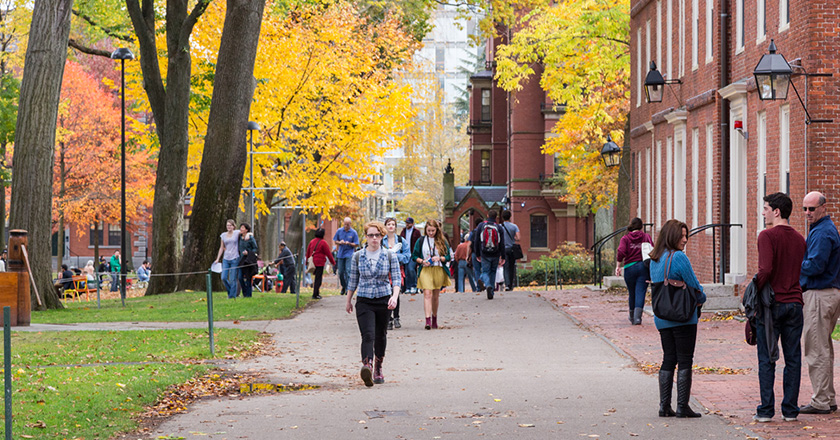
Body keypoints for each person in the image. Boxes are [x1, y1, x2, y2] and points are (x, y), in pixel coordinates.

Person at [751, 192, 806, 422]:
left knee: (767, 358)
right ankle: (790, 410)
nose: (763, 213)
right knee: (792, 358)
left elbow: (765, 270)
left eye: (765, 208)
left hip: (771, 305)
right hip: (795, 303)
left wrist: (754, 288)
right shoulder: (800, 239)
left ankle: (765, 411)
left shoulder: (766, 236)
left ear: (776, 211)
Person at [649, 219, 706, 418]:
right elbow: (695, 286)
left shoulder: (654, 259)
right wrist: (702, 299)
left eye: (686, 235)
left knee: (668, 359)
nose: (685, 240)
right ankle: (682, 406)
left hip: (662, 317)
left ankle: (664, 406)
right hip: (683, 317)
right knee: (684, 360)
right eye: (681, 236)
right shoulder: (679, 257)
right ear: (671, 236)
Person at [799, 191, 840, 415]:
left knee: (816, 349)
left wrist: (793, 263)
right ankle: (828, 398)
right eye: (805, 208)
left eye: (811, 209)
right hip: (828, 293)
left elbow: (815, 266)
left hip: (820, 294)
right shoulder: (822, 230)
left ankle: (821, 401)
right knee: (823, 347)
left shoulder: (823, 233)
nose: (807, 213)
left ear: (823, 208)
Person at [345, 221, 401, 386]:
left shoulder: (390, 255)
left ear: (382, 236)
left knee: (380, 335)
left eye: (377, 235)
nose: (374, 238)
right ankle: (367, 365)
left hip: (384, 299)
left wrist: (394, 296)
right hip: (364, 300)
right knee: (367, 334)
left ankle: (378, 366)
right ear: (366, 237)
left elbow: (397, 279)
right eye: (371, 235)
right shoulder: (358, 256)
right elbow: (353, 280)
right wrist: (348, 300)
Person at [411, 219, 452, 329]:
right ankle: (427, 320)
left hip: (438, 269)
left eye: (433, 230)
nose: (430, 233)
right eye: (429, 230)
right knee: (427, 294)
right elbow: (414, 256)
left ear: (437, 230)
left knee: (435, 296)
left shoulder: (442, 241)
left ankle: (434, 318)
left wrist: (440, 258)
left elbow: (448, 256)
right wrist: (422, 261)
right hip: (425, 269)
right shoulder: (421, 240)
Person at [616, 217, 654, 325]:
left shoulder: (625, 238)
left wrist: (618, 265)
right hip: (643, 267)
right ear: (641, 226)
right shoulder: (646, 237)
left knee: (632, 292)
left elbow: (621, 252)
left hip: (629, 267)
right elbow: (653, 249)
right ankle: (638, 318)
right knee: (640, 292)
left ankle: (632, 316)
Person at [382, 217, 410, 330]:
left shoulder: (401, 240)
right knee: (386, 293)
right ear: (385, 226)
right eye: (388, 224)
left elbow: (407, 256)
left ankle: (396, 317)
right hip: (384, 270)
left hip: (397, 269)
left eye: (393, 224)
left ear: (395, 226)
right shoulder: (381, 240)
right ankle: (388, 318)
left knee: (395, 293)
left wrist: (395, 256)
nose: (391, 226)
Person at [472, 210, 505, 300]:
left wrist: (477, 253)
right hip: (496, 253)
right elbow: (502, 243)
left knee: (485, 271)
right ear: (496, 217)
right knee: (493, 271)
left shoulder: (481, 226)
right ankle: (492, 290)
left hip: (484, 253)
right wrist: (503, 256)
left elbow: (476, 241)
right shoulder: (499, 227)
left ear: (487, 215)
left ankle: (488, 285)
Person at [215, 219, 241, 299]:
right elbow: (221, 247)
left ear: (233, 226)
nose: (228, 227)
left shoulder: (237, 233)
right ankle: (231, 292)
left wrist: (249, 234)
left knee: (233, 278)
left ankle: (231, 296)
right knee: (223, 277)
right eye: (227, 225)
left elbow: (246, 232)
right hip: (226, 258)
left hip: (235, 258)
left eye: (230, 225)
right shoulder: (223, 235)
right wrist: (217, 258)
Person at [307, 228, 336, 299]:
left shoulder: (312, 241)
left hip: (313, 262)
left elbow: (308, 252)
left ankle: (316, 293)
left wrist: (306, 262)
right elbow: (328, 253)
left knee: (316, 278)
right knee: (318, 278)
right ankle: (315, 294)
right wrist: (333, 262)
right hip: (320, 263)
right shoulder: (323, 242)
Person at [334, 217, 360, 295]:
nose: (346, 226)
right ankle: (344, 286)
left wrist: (349, 243)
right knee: (341, 272)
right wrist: (340, 242)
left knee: (348, 271)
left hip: (349, 253)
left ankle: (348, 289)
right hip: (341, 254)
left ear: (350, 224)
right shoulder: (339, 231)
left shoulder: (353, 232)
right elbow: (335, 241)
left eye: (348, 225)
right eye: (345, 224)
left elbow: (356, 244)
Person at [400, 217, 422, 293]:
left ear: (412, 224)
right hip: (405, 253)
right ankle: (408, 287)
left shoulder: (416, 232)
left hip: (413, 254)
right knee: (406, 271)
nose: (407, 224)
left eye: (409, 223)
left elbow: (419, 243)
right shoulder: (403, 231)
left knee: (411, 269)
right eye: (406, 223)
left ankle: (414, 286)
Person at [500, 210, 521, 291]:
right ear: (510, 217)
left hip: (504, 249)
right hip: (512, 249)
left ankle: (507, 284)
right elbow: (518, 238)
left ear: (502, 217)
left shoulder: (500, 227)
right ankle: (512, 284)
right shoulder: (514, 226)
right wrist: (513, 238)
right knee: (512, 266)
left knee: (506, 266)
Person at [238, 223, 259, 298]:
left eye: (243, 228)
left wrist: (248, 252)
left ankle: (248, 295)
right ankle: (244, 292)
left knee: (248, 278)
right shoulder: (239, 237)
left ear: (246, 229)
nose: (241, 229)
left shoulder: (250, 238)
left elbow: (255, 248)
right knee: (240, 277)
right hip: (241, 260)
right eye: (240, 227)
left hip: (248, 261)